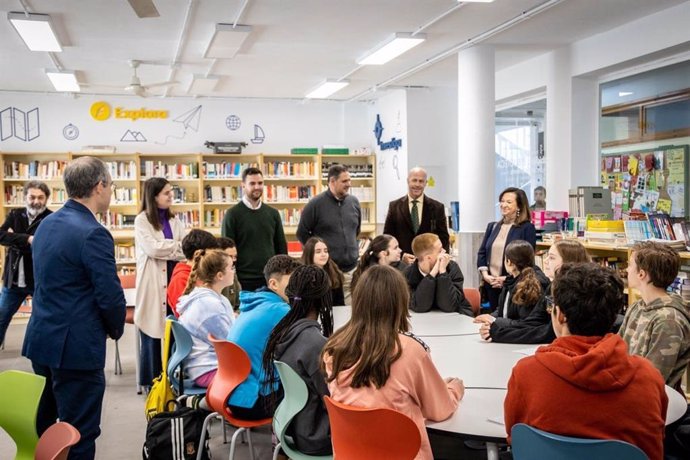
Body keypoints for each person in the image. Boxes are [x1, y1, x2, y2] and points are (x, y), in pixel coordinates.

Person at [504, 263, 668, 460]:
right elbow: (656, 439)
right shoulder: (648, 377)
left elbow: (514, 436)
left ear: (561, 315)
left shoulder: (527, 373)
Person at [22, 156, 126, 459]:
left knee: (48, 427)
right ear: (99, 186)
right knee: (80, 432)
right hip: (76, 350)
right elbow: (110, 296)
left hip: (42, 340)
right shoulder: (94, 233)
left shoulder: (45, 225)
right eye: (111, 185)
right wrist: (114, 329)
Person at [322, 265, 464, 460]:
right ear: (400, 302)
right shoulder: (409, 351)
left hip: (352, 454)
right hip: (403, 454)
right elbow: (440, 410)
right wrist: (454, 389)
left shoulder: (334, 347)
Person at [262, 265, 334, 456]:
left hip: (294, 427)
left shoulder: (284, 332)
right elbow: (332, 399)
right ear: (323, 300)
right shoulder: (316, 344)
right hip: (318, 436)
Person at [226, 255, 301, 419]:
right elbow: (302, 348)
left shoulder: (254, 303)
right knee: (308, 388)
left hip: (234, 395)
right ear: (273, 284)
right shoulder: (280, 310)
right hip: (254, 401)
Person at [134, 177, 186, 388]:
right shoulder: (142, 220)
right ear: (153, 196)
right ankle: (153, 383)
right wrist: (175, 246)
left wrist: (167, 247)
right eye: (166, 193)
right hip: (153, 282)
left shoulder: (176, 220)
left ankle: (172, 379)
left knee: (173, 329)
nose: (171, 196)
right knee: (152, 331)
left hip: (174, 279)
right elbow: (152, 249)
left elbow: (186, 249)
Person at [619, 241, 690, 392]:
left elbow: (652, 379)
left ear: (641, 274)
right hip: (627, 390)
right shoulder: (637, 307)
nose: (626, 269)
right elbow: (617, 351)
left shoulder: (668, 320)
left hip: (654, 402)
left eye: (630, 265)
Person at [297, 164, 361, 303]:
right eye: (344, 181)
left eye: (349, 180)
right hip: (329, 273)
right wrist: (318, 253)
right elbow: (302, 233)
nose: (348, 184)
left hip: (352, 270)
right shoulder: (315, 204)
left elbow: (356, 230)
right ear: (332, 182)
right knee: (333, 314)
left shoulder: (354, 202)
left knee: (353, 314)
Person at [0, 181, 52, 347]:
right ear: (25, 198)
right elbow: (1, 236)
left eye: (40, 197)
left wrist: (14, 238)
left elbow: (47, 246)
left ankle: (39, 356)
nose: (36, 201)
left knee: (41, 322)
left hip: (39, 279)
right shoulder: (15, 214)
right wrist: (28, 239)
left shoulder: (51, 218)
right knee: (1, 316)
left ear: (46, 199)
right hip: (14, 279)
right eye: (32, 197)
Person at [222, 167, 287, 292]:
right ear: (243, 186)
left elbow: (281, 248)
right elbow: (226, 251)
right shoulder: (232, 214)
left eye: (260, 183)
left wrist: (282, 275)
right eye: (252, 183)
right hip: (242, 280)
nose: (257, 187)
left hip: (270, 279)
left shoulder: (273, 213)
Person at [177, 249, 235, 388]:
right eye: (231, 267)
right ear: (220, 275)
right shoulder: (211, 306)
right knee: (260, 378)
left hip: (202, 366)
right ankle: (203, 403)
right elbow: (232, 342)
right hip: (209, 369)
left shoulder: (207, 298)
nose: (234, 271)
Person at [474, 240, 552, 344]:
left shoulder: (531, 284)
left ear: (509, 262)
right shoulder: (511, 280)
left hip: (519, 340)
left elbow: (525, 323)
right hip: (508, 336)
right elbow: (504, 310)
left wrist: (495, 322)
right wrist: (491, 317)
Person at [477, 187, 536, 311]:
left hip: (513, 284)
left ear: (519, 206)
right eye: (502, 201)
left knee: (508, 318)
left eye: (509, 202)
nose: (503, 205)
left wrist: (506, 279)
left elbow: (527, 260)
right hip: (491, 283)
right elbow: (482, 252)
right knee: (493, 318)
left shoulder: (527, 228)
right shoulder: (493, 226)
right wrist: (486, 275)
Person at [383, 167, 449, 263]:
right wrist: (400, 256)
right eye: (414, 180)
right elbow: (387, 238)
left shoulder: (437, 208)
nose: (417, 184)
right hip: (402, 266)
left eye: (421, 181)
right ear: (408, 181)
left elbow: (444, 238)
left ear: (426, 183)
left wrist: (437, 259)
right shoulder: (394, 207)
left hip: (429, 265)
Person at [405, 233, 472, 316]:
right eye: (440, 251)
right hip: (424, 322)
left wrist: (443, 272)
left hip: (454, 319)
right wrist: (432, 274)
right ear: (428, 258)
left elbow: (449, 306)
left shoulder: (451, 267)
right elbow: (420, 306)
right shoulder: (408, 274)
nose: (444, 252)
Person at [167, 229, 220, 317]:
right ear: (197, 254)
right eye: (211, 254)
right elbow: (188, 315)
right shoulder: (180, 279)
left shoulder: (201, 274)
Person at [301, 237, 345, 306]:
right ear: (309, 254)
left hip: (333, 312)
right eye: (318, 252)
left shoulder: (335, 272)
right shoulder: (301, 276)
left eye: (326, 251)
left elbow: (340, 303)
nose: (323, 254)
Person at [217, 236, 242, 310]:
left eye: (235, 257)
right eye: (230, 256)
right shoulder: (211, 279)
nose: (233, 260)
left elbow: (240, 303)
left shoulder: (232, 274)